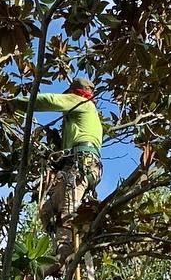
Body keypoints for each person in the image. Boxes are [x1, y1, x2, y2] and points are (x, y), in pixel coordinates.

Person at [12, 76, 103, 228]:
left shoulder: (82, 102)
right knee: (46, 213)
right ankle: (61, 245)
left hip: (81, 165)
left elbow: (51, 100)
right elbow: (70, 148)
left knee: (66, 215)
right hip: (79, 166)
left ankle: (65, 249)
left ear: (75, 93)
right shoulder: (82, 120)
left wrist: (16, 103)